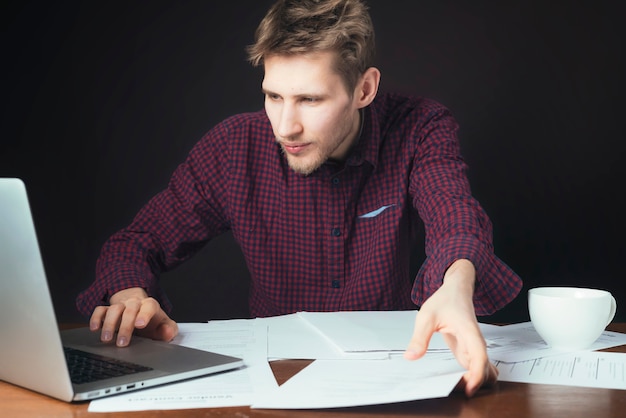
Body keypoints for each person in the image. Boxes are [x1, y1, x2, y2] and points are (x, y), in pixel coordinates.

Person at [77, 0, 522, 397]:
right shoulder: (234, 148)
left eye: (309, 99)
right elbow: (134, 243)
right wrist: (130, 297)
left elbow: (455, 216)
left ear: (364, 89)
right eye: (273, 96)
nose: (285, 126)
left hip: (394, 380)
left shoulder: (420, 127)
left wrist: (456, 285)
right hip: (276, 381)